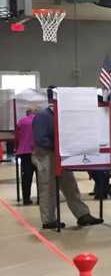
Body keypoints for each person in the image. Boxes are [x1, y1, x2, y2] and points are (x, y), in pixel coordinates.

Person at [31, 94, 103, 231]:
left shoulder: (61, 114)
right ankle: (49, 220)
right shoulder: (43, 116)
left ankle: (83, 215)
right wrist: (59, 145)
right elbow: (40, 139)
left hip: (61, 154)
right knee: (48, 188)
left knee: (70, 185)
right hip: (46, 154)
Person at [15, 107, 36, 205]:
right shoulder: (38, 120)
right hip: (38, 151)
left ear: (27, 113)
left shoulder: (21, 122)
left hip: (24, 152)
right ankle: (41, 199)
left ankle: (26, 199)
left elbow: (17, 137)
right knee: (41, 177)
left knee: (26, 177)